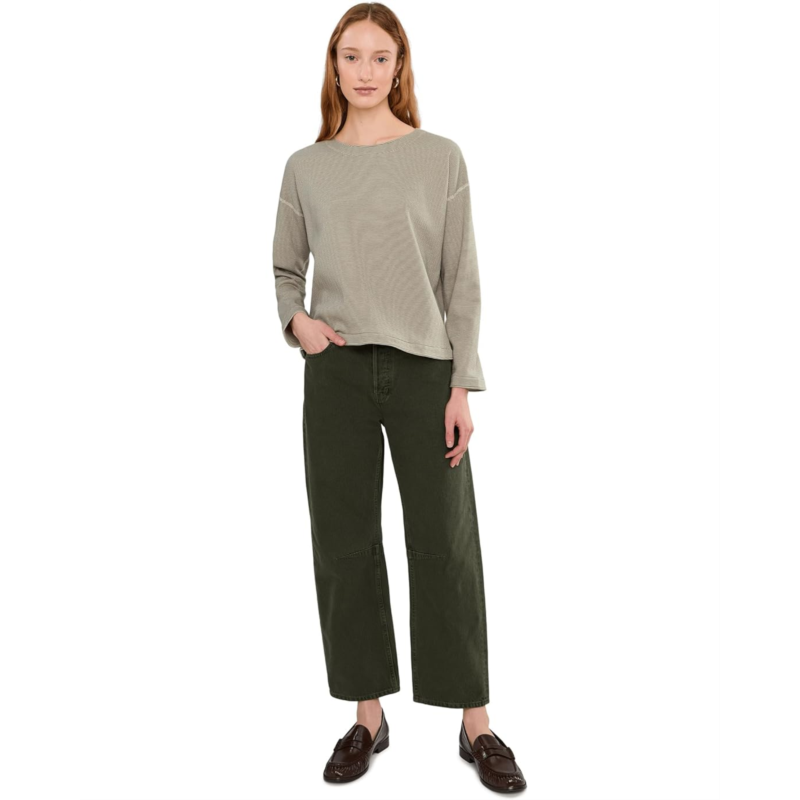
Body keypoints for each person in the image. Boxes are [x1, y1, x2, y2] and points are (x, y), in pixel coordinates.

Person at [272, 3, 526, 792]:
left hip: (425, 373)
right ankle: (367, 715)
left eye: (380, 57)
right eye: (351, 56)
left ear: (400, 67)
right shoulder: (306, 167)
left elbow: (463, 280)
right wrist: (298, 324)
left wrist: (462, 383)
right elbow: (285, 270)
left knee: (446, 543)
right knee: (345, 543)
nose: (365, 71)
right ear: (333, 65)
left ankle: (475, 722)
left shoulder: (439, 158)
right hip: (337, 373)